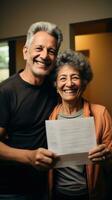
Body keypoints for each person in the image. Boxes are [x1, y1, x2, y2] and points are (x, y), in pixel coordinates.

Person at [0, 21, 63, 200]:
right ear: (26, 51)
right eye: (39, 48)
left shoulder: (54, 88)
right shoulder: (6, 91)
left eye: (51, 51)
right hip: (10, 191)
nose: (44, 56)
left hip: (46, 186)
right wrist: (29, 156)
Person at [49, 49, 112, 200]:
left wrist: (107, 154)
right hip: (57, 194)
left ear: (83, 83)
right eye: (63, 78)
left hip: (90, 194)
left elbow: (110, 150)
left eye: (75, 77)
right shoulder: (50, 116)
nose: (69, 84)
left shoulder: (100, 113)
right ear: (56, 85)